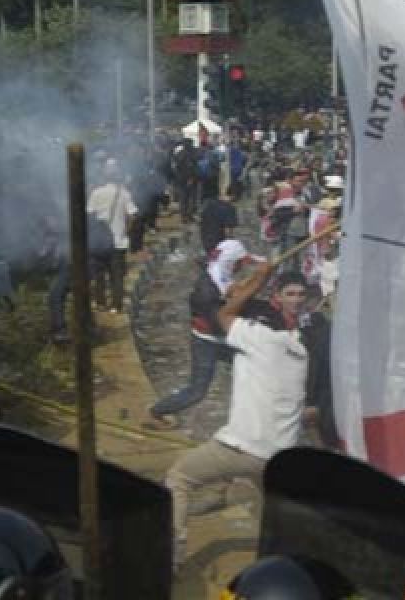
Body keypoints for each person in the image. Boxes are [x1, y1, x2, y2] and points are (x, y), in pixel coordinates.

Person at [165, 266, 309, 570]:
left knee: (179, 477)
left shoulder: (258, 338)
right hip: (278, 456)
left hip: (242, 449)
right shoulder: (300, 351)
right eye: (292, 294)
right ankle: (289, 561)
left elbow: (223, 315)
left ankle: (173, 555)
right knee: (270, 508)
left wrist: (255, 281)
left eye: (299, 294)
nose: (296, 299)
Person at [148, 240, 261, 427]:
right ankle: (157, 410)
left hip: (220, 338)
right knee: (197, 391)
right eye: (240, 263)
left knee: (256, 368)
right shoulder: (207, 290)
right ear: (231, 262)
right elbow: (222, 321)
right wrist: (251, 289)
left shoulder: (220, 274)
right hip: (207, 341)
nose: (242, 267)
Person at [86, 159, 137, 313]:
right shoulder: (125, 193)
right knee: (117, 276)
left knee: (99, 275)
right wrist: (126, 230)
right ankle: (116, 305)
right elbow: (133, 215)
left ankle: (100, 302)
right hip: (118, 242)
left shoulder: (96, 193)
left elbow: (89, 215)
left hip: (99, 242)